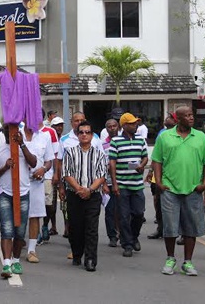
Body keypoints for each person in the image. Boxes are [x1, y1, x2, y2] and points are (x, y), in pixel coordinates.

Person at [152, 106, 205, 276]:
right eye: (186, 115)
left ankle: (188, 262)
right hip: (170, 189)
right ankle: (170, 259)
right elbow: (156, 160)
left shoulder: (200, 137)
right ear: (177, 119)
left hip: (193, 189)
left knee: (190, 227)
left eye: (192, 114)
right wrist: (159, 182)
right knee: (170, 227)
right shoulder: (165, 137)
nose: (191, 118)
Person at [0, 124, 37, 278]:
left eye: (14, 130)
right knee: (7, 229)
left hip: (23, 192)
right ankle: (6, 263)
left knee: (20, 231)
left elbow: (33, 163)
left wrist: (21, 145)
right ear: (5, 132)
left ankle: (15, 260)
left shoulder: (24, 146)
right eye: (8, 130)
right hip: (5, 193)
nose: (11, 133)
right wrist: (4, 168)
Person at [63, 121, 108, 272]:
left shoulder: (100, 154)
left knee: (91, 228)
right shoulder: (70, 152)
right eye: (81, 132)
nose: (84, 135)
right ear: (77, 134)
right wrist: (79, 189)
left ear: (92, 135)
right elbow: (67, 174)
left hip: (93, 195)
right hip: (74, 194)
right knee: (75, 227)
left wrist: (89, 189)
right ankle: (77, 253)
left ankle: (90, 260)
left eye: (87, 132)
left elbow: (102, 175)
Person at [109, 113, 148, 258]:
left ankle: (134, 236)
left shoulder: (140, 140)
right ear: (124, 126)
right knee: (124, 217)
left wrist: (142, 165)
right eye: (131, 123)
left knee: (139, 214)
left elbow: (145, 157)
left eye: (135, 123)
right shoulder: (116, 141)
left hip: (137, 184)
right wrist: (115, 184)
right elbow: (112, 163)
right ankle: (127, 244)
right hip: (122, 184)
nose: (135, 125)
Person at [23, 120, 54, 263]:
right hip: (18, 182)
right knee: (17, 215)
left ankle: (32, 250)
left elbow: (49, 160)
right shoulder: (16, 133)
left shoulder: (45, 136)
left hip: (36, 182)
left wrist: (44, 169)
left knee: (34, 215)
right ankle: (15, 244)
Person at [146, 114, 178, 240]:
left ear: (176, 121)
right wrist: (151, 172)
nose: (166, 118)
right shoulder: (162, 133)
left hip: (175, 174)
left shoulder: (181, 135)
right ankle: (161, 228)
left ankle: (179, 231)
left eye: (170, 117)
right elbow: (156, 156)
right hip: (159, 173)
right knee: (157, 201)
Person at [102, 118, 120, 247]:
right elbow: (100, 165)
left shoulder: (124, 142)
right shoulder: (103, 146)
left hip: (123, 181)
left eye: (114, 126)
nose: (112, 128)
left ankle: (124, 234)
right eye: (109, 126)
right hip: (108, 182)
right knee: (110, 211)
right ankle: (112, 236)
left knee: (124, 210)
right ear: (106, 129)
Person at [48, 116, 65, 236]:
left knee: (65, 203)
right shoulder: (49, 139)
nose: (59, 128)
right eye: (56, 126)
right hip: (52, 175)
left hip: (64, 175)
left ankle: (67, 228)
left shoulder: (64, 140)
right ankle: (53, 226)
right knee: (51, 204)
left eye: (61, 125)